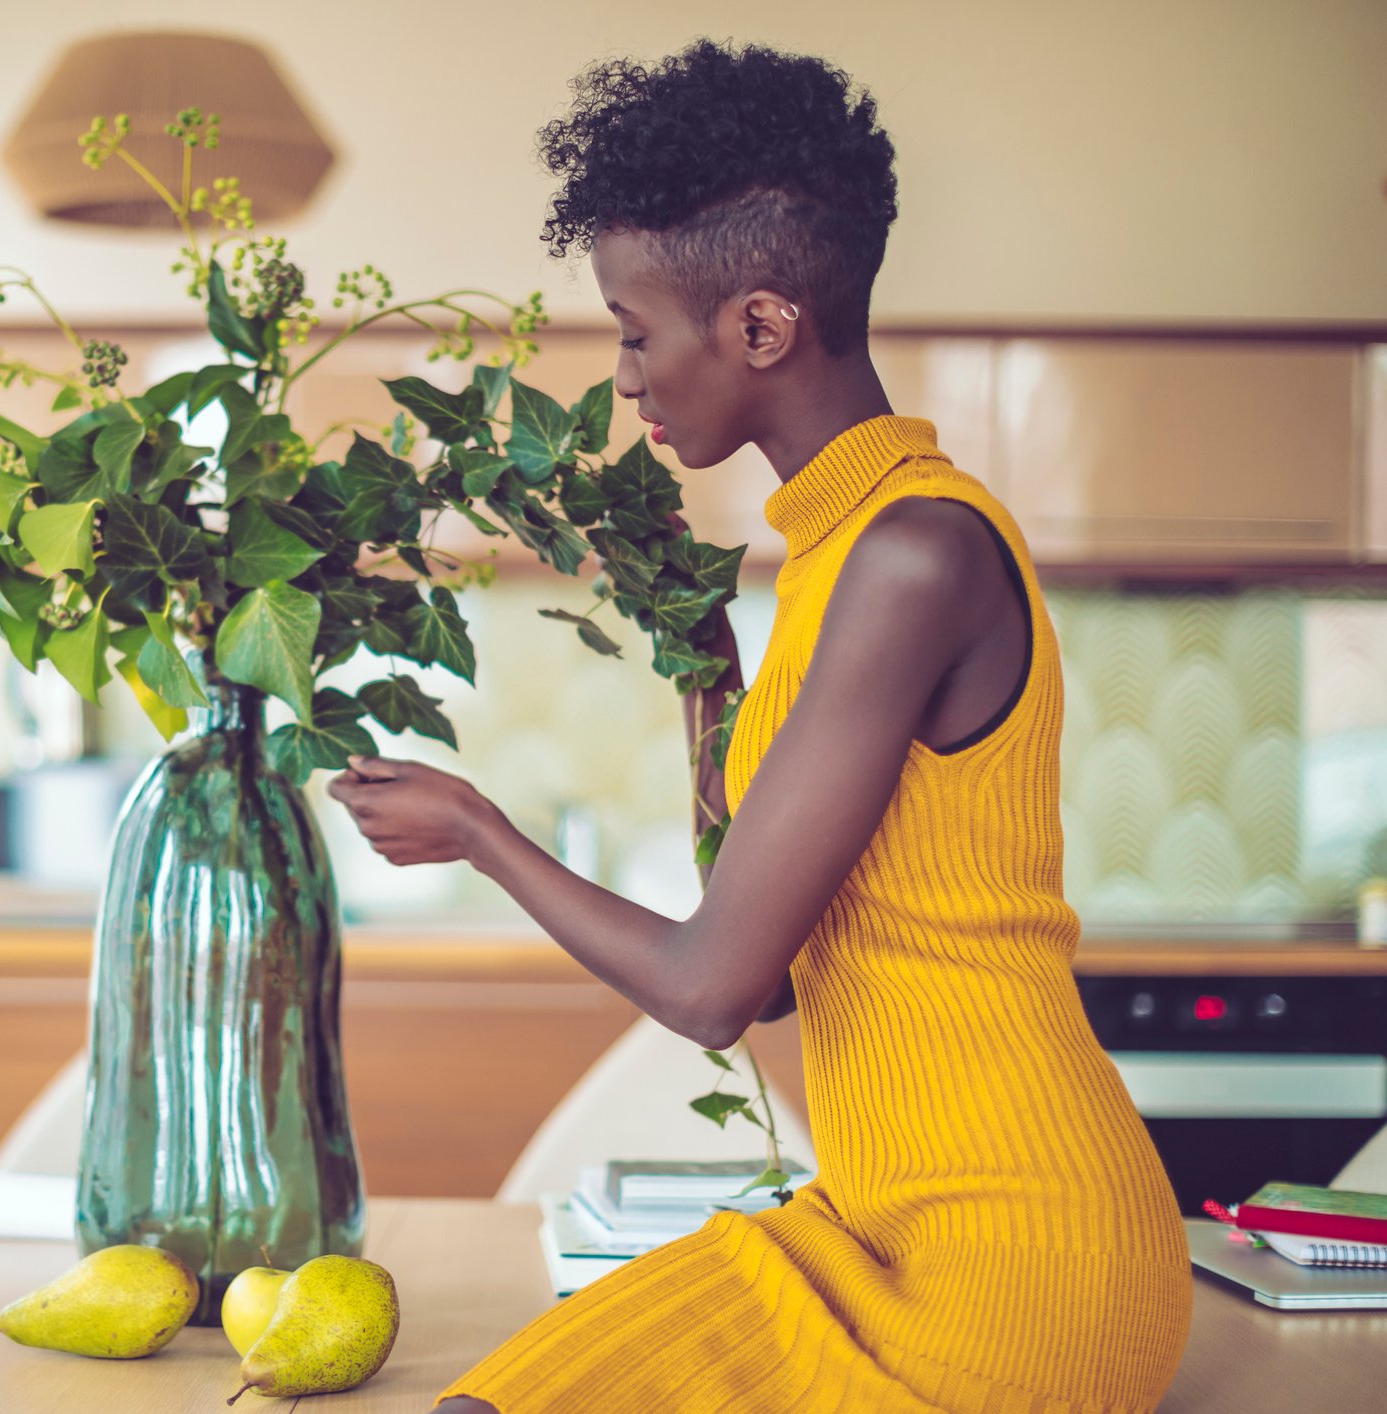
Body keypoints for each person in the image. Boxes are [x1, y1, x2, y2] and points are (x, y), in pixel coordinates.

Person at [326, 39, 1193, 1413]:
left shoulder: (912, 553)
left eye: (631, 327)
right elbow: (785, 975)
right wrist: (706, 689)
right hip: (866, 1233)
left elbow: (713, 985)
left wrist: (480, 834)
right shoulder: (837, 556)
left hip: (1012, 1262)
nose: (621, 377)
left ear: (760, 327)